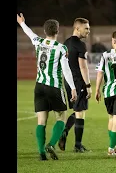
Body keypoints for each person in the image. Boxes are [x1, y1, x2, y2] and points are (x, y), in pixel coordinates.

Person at [17, 13, 77, 160]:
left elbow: (30, 33)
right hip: (54, 87)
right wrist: (73, 88)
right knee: (61, 118)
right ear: (58, 30)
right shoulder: (61, 48)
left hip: (39, 86)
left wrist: (22, 23)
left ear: (45, 31)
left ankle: (41, 153)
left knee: (41, 121)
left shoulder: (38, 42)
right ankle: (50, 144)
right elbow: (66, 69)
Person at [58, 18, 91, 153]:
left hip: (68, 81)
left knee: (77, 110)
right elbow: (83, 67)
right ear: (77, 28)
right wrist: (88, 85)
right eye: (86, 28)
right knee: (80, 112)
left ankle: (64, 132)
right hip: (78, 81)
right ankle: (78, 145)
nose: (89, 31)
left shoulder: (65, 43)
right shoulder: (80, 45)